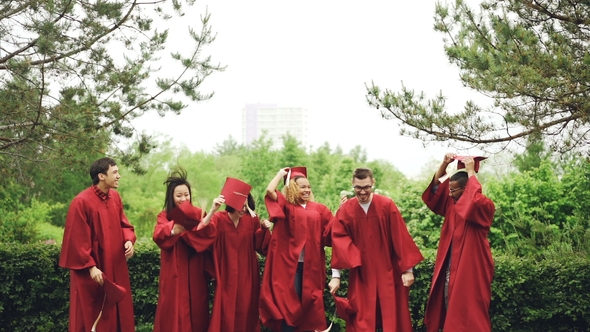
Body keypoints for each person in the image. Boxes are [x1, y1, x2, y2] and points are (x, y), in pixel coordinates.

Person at [330, 167, 424, 332]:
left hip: (388, 271)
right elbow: (339, 241)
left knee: (392, 318)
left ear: (373, 183)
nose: (362, 192)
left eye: (366, 187)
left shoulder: (386, 205)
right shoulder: (346, 210)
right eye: (358, 187)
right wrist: (336, 276)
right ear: (352, 184)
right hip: (361, 274)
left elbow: (401, 237)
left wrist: (408, 270)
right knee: (361, 319)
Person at [59, 157, 136, 332]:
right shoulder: (81, 202)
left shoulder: (115, 197)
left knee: (118, 312)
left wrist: (128, 240)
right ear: (101, 176)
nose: (119, 176)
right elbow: (76, 239)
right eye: (114, 172)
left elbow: (124, 225)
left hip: (115, 266)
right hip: (94, 271)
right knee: (91, 314)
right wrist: (90, 266)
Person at [422, 154, 495, 332]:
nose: (450, 193)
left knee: (471, 311)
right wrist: (444, 164)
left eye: (454, 190)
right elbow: (436, 189)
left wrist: (471, 172)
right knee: (449, 305)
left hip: (471, 267)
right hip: (450, 264)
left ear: (465, 188)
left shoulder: (484, 205)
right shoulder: (452, 202)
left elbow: (474, 200)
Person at [259, 167, 336, 332]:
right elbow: (269, 190)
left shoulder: (319, 209)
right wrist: (280, 174)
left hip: (312, 267)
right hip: (290, 268)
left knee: (310, 306)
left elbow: (332, 231)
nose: (307, 190)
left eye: (308, 187)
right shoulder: (285, 206)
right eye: (302, 187)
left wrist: (343, 210)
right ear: (293, 188)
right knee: (289, 307)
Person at [152, 168, 218, 332]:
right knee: (173, 309)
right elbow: (158, 235)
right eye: (179, 195)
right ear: (171, 197)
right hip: (174, 269)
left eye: (186, 194)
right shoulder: (165, 216)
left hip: (195, 267)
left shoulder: (198, 213)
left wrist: (197, 229)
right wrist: (173, 229)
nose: (183, 198)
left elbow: (210, 234)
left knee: (197, 307)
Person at [207, 177, 272, 332]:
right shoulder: (218, 219)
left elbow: (260, 246)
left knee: (246, 308)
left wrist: (263, 228)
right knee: (224, 309)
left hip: (247, 273)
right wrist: (212, 210)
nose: (243, 208)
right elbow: (203, 235)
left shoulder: (252, 220)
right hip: (225, 271)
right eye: (240, 205)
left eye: (246, 204)